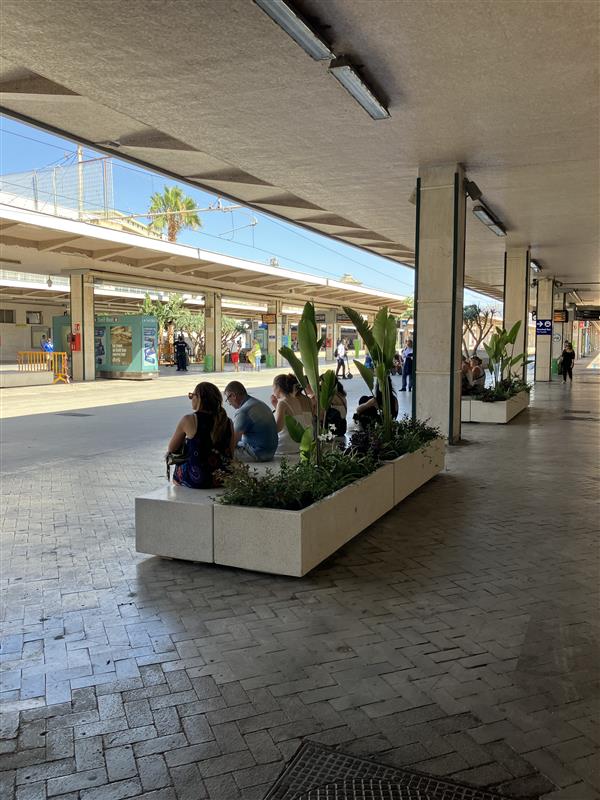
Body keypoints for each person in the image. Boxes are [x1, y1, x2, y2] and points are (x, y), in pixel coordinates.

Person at [167, 382, 234, 489]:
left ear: (199, 399)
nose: (191, 398)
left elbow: (171, 448)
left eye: (191, 396)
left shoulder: (189, 420)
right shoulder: (227, 421)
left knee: (179, 469)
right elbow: (230, 452)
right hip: (224, 477)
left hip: (199, 480)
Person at [224, 380, 278, 462]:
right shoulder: (258, 403)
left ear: (233, 395)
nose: (229, 403)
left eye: (228, 398)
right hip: (271, 452)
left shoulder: (243, 411)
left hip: (258, 453)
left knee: (221, 452)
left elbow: (233, 442)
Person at [270, 374, 312, 454]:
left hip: (285, 446)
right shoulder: (295, 400)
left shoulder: (282, 403)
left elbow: (278, 428)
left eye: (273, 386)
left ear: (278, 388)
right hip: (298, 445)